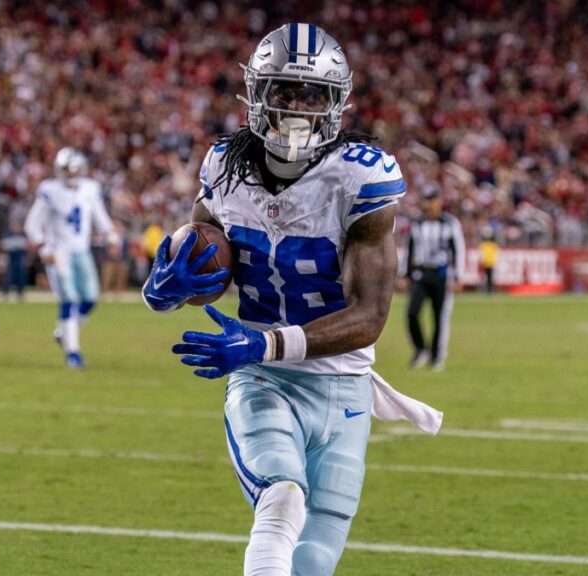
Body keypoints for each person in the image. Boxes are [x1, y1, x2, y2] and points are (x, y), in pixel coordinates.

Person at [143, 24, 441, 576]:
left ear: (337, 103)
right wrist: (165, 290)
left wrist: (263, 340)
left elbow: (369, 318)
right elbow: (200, 266)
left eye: (313, 96)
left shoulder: (360, 179)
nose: (298, 109)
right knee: (281, 499)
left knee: (316, 556)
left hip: (342, 380)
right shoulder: (224, 168)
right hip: (262, 376)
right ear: (257, 94)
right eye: (284, 92)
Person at [25, 147, 120, 369]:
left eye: (75, 169)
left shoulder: (90, 188)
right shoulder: (49, 189)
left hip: (82, 250)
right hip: (59, 252)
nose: (71, 174)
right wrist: (44, 249)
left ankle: (64, 332)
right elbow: (32, 223)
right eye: (67, 170)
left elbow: (100, 217)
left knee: (90, 298)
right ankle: (73, 353)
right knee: (68, 299)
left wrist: (112, 236)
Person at [405, 186, 465, 371]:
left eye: (432, 200)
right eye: (426, 200)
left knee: (440, 316)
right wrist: (406, 274)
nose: (429, 204)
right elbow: (410, 248)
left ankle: (437, 356)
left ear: (439, 202)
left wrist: (458, 276)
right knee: (412, 312)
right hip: (422, 273)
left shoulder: (449, 223)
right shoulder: (418, 223)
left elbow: (458, 249)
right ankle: (420, 349)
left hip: (441, 273)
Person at [478, 226, 500, 294]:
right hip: (488, 263)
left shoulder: (484, 245)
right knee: (488, 277)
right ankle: (488, 289)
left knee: (489, 277)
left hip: (489, 263)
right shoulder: (492, 245)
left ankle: (489, 289)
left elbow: (482, 254)